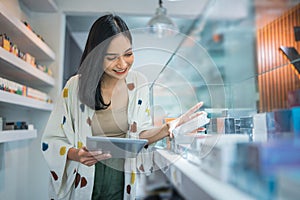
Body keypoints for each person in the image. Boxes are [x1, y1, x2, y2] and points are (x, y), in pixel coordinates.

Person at [41, 14, 204, 200]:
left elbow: (140, 135)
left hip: (122, 178)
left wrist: (168, 128)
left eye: (128, 54)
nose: (122, 64)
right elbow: (52, 139)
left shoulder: (138, 83)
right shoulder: (75, 86)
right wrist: (76, 154)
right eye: (112, 57)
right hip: (83, 177)